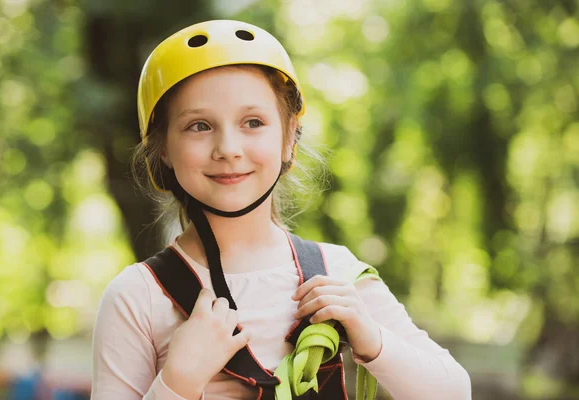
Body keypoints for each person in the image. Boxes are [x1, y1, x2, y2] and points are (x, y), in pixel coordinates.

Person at [90, 20, 472, 400]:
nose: (229, 148)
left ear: (289, 138)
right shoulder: (137, 297)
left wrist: (372, 340)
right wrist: (178, 382)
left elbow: (454, 391)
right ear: (162, 148)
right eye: (199, 126)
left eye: (253, 122)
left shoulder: (336, 276)